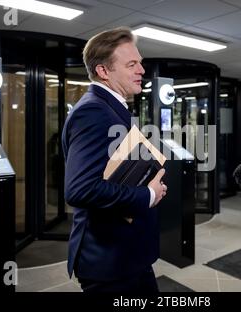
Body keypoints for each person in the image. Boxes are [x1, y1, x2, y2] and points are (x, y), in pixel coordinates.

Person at [62, 27, 167, 293]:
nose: (142, 70)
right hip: (110, 262)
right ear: (103, 71)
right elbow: (80, 189)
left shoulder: (111, 107)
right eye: (132, 64)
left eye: (140, 62)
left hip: (127, 255)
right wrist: (147, 195)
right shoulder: (94, 111)